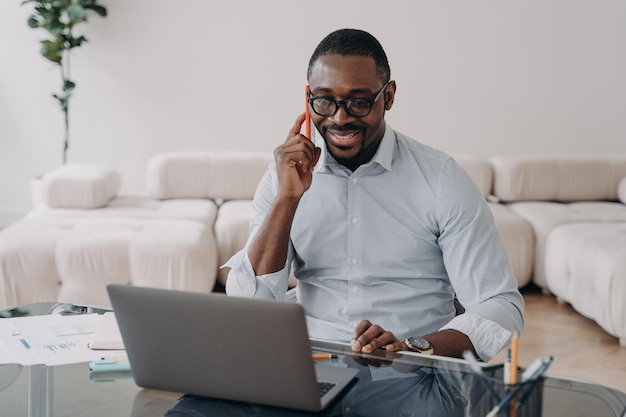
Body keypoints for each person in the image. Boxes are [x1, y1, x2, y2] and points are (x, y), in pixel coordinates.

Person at [225, 28, 524, 362]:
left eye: (359, 101)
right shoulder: (284, 177)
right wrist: (287, 200)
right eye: (324, 101)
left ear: (389, 96)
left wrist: (411, 349)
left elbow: (500, 306)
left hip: (415, 373)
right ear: (308, 97)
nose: (340, 118)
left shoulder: (441, 179)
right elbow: (250, 304)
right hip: (311, 369)